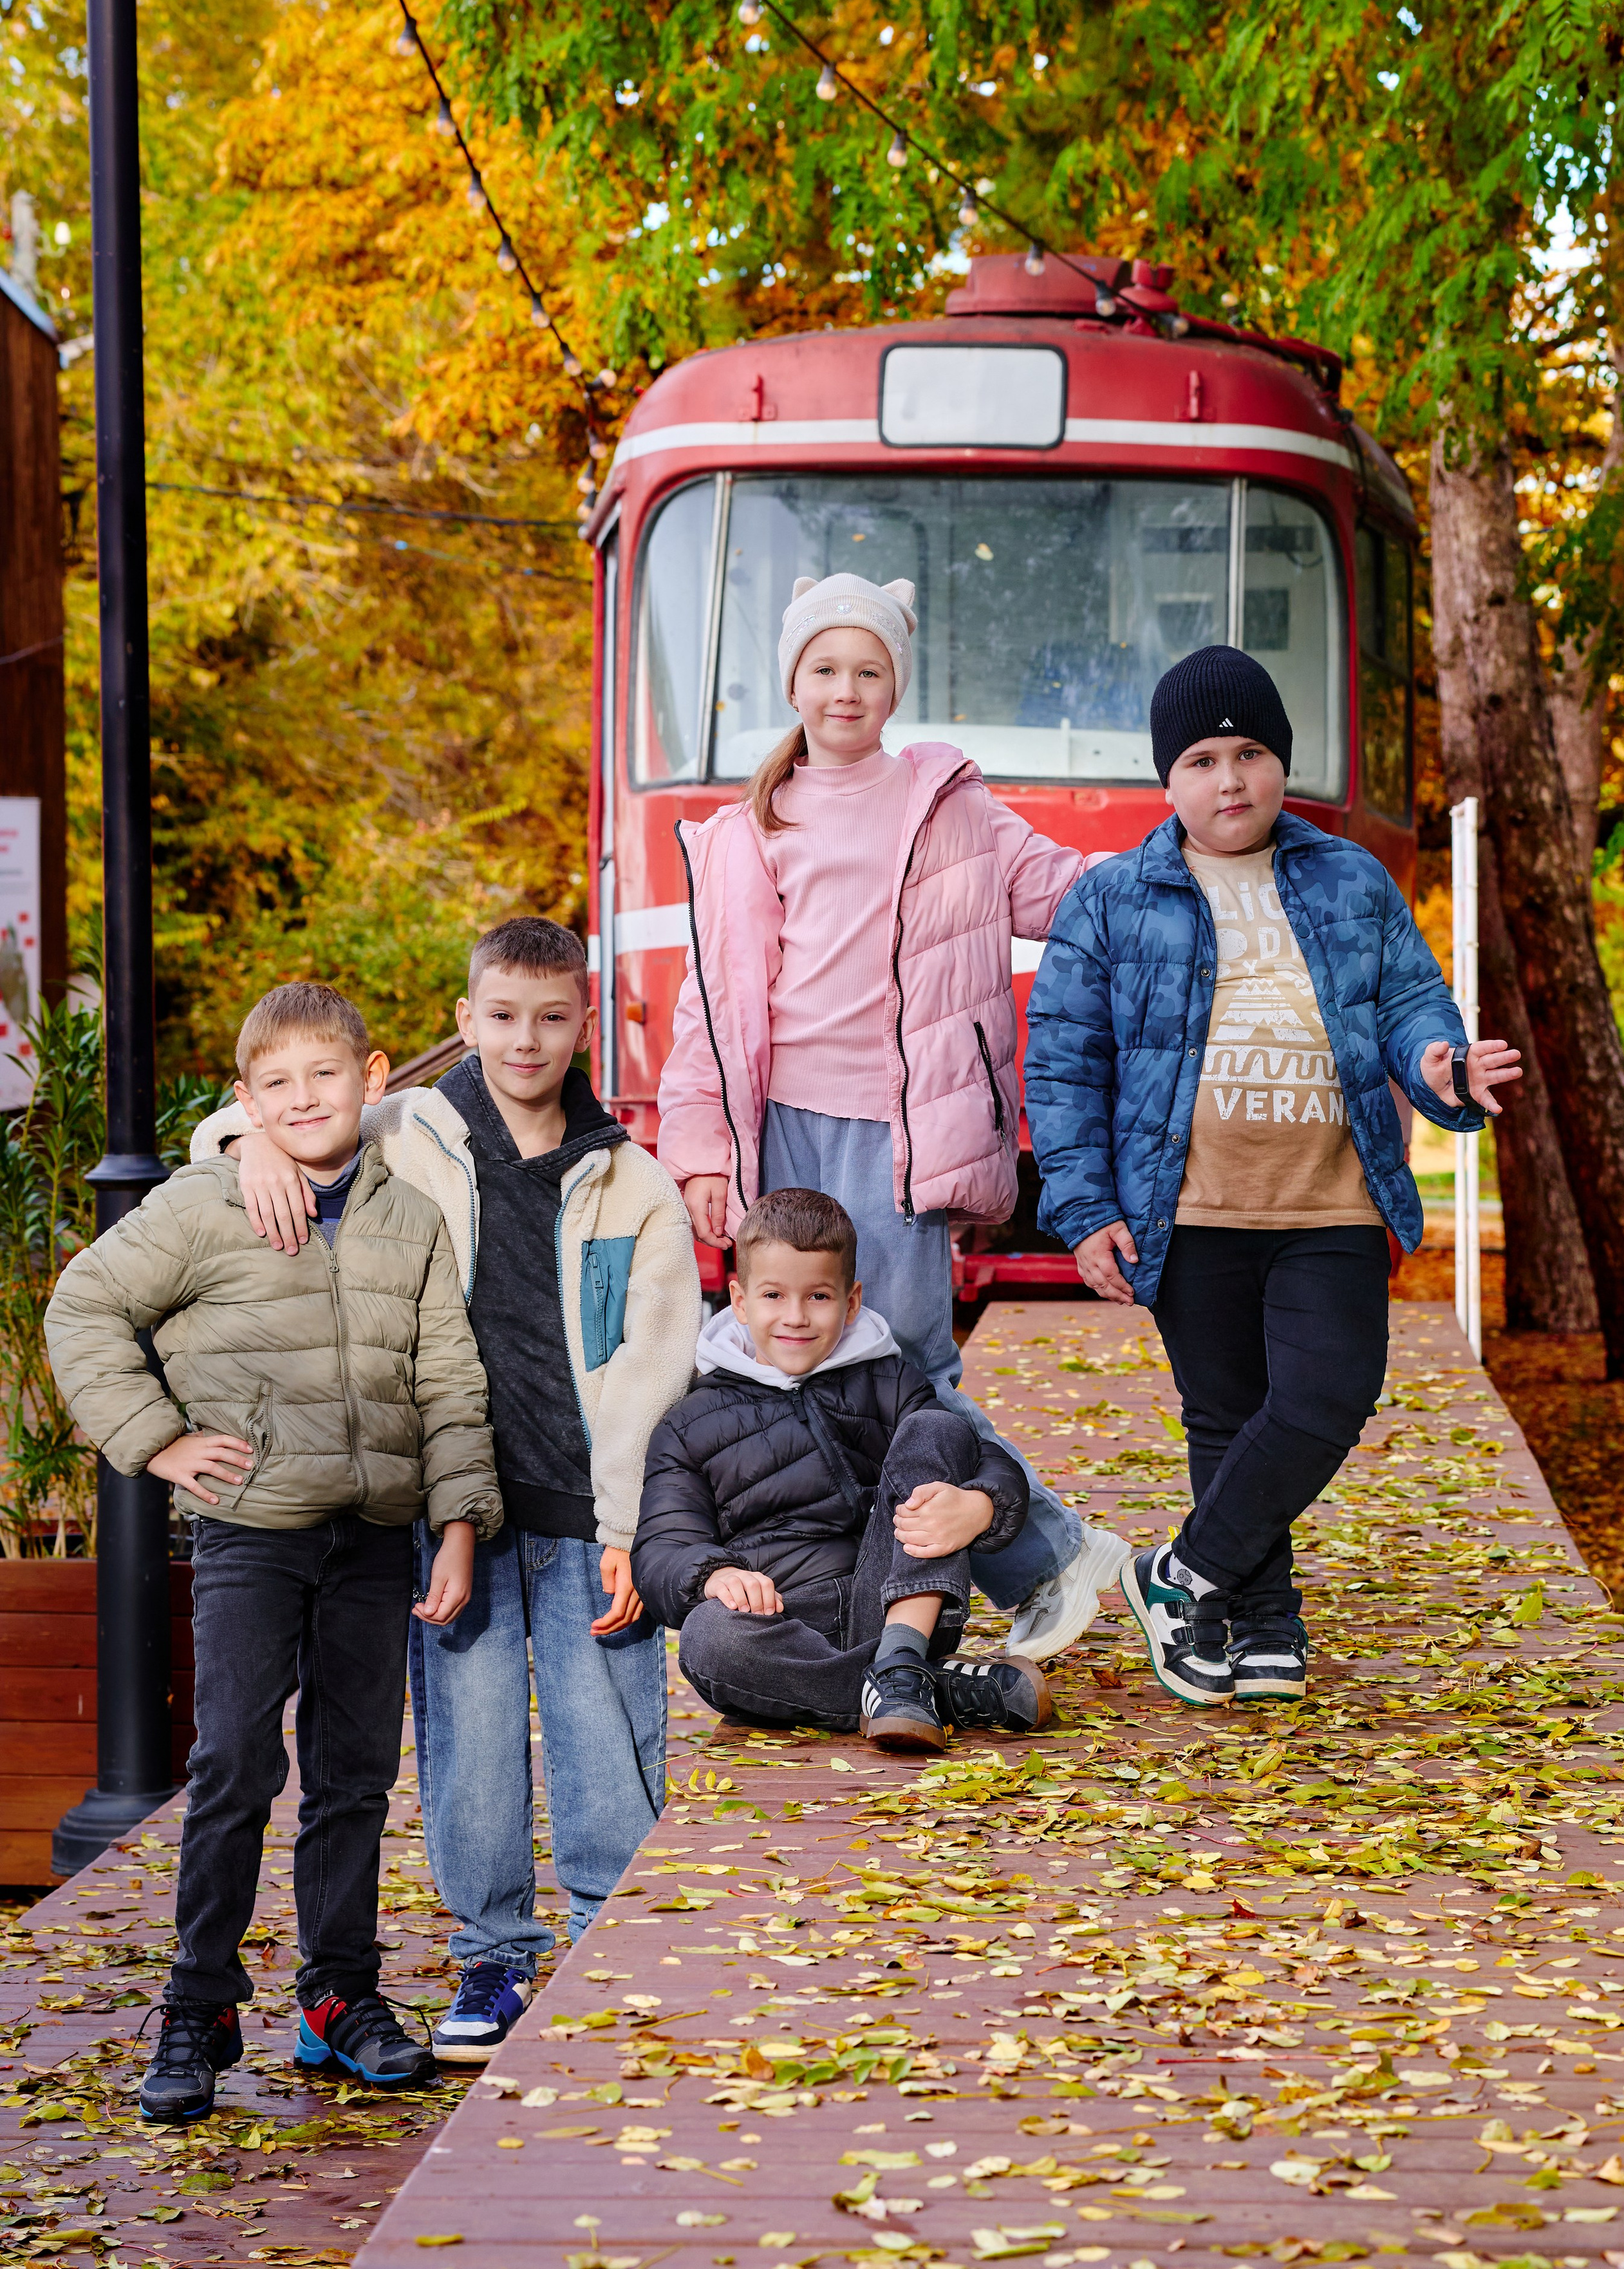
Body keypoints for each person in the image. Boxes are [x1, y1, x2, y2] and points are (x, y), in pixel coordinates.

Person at [191, 919, 700, 2065]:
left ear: (586, 1023)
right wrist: (246, 1152)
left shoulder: (632, 1182)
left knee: (604, 1726)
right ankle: (494, 1956)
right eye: (503, 1016)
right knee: (468, 1737)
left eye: (553, 1017)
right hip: (450, 1507)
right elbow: (261, 1116)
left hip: (583, 1510)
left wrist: (631, 1524)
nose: (528, 1039)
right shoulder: (410, 1131)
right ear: (465, 1022)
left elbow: (655, 1367)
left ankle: (608, 1942)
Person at [1025, 645, 1522, 1706]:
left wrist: (1442, 1069)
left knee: (1326, 1397)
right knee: (1228, 1412)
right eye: (1203, 759)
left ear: (1279, 763)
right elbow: (1064, 1066)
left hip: (1329, 1199)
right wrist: (1084, 1212)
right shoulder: (1111, 899)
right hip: (1186, 1206)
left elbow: (1411, 1006)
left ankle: (1179, 1574)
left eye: (1250, 752)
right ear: (1169, 780)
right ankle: (1259, 1620)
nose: (1231, 778)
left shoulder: (1348, 877)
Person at [44, 982, 501, 2123]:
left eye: (326, 1075)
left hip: (374, 1536)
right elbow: (84, 1307)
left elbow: (448, 1381)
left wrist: (455, 1521)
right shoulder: (209, 1204)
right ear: (247, 1100)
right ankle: (199, 2003)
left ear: (376, 1075)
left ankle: (340, 1996)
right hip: (252, 1531)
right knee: (235, 1767)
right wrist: (152, 1441)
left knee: (355, 1778)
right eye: (278, 1084)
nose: (306, 1099)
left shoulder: (412, 1219)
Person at [657, 570, 1128, 1662]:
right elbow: (709, 1007)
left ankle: (1046, 1557)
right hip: (778, 1125)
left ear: (894, 687)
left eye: (868, 670)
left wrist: (1187, 858)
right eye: (825, 668)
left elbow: (1067, 893)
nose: (846, 689)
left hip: (899, 1126)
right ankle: (894, 1589)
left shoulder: (947, 804)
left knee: (908, 1360)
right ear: (794, 682)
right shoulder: (746, 829)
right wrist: (702, 1151)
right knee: (796, 1358)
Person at [632, 1187, 1053, 1748]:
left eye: (819, 1296)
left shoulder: (889, 1380)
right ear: (739, 1299)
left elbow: (985, 1459)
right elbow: (662, 1543)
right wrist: (713, 1574)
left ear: (851, 1301)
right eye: (774, 1295)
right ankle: (919, 1689)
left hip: (902, 1602)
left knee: (939, 1426)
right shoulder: (690, 1421)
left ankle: (903, 1660)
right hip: (785, 1621)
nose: (796, 1317)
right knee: (709, 1639)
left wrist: (982, 1505)